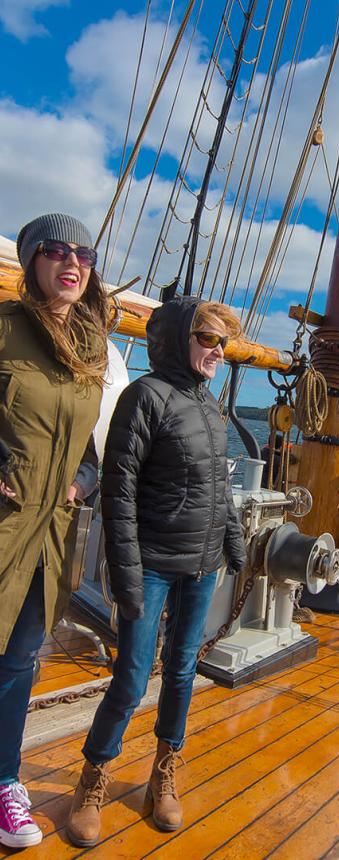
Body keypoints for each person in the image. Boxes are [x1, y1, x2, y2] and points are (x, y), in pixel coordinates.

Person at [67, 296, 247, 848]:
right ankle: (93, 777)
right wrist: (125, 576)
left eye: (223, 342)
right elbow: (117, 495)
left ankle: (163, 772)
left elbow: (220, 488)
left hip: (201, 567)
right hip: (151, 566)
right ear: (176, 339)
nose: (219, 351)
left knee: (183, 673)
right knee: (131, 675)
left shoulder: (211, 407)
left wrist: (234, 541)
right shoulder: (144, 397)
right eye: (208, 339)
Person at [0, 214, 109, 849]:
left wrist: (83, 486)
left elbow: (89, 455)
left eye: (85, 254)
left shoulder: (93, 347)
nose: (73, 262)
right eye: (58, 250)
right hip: (4, 523)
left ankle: (5, 780)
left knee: (17, 663)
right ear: (33, 260)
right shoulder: (6, 330)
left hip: (52, 538)